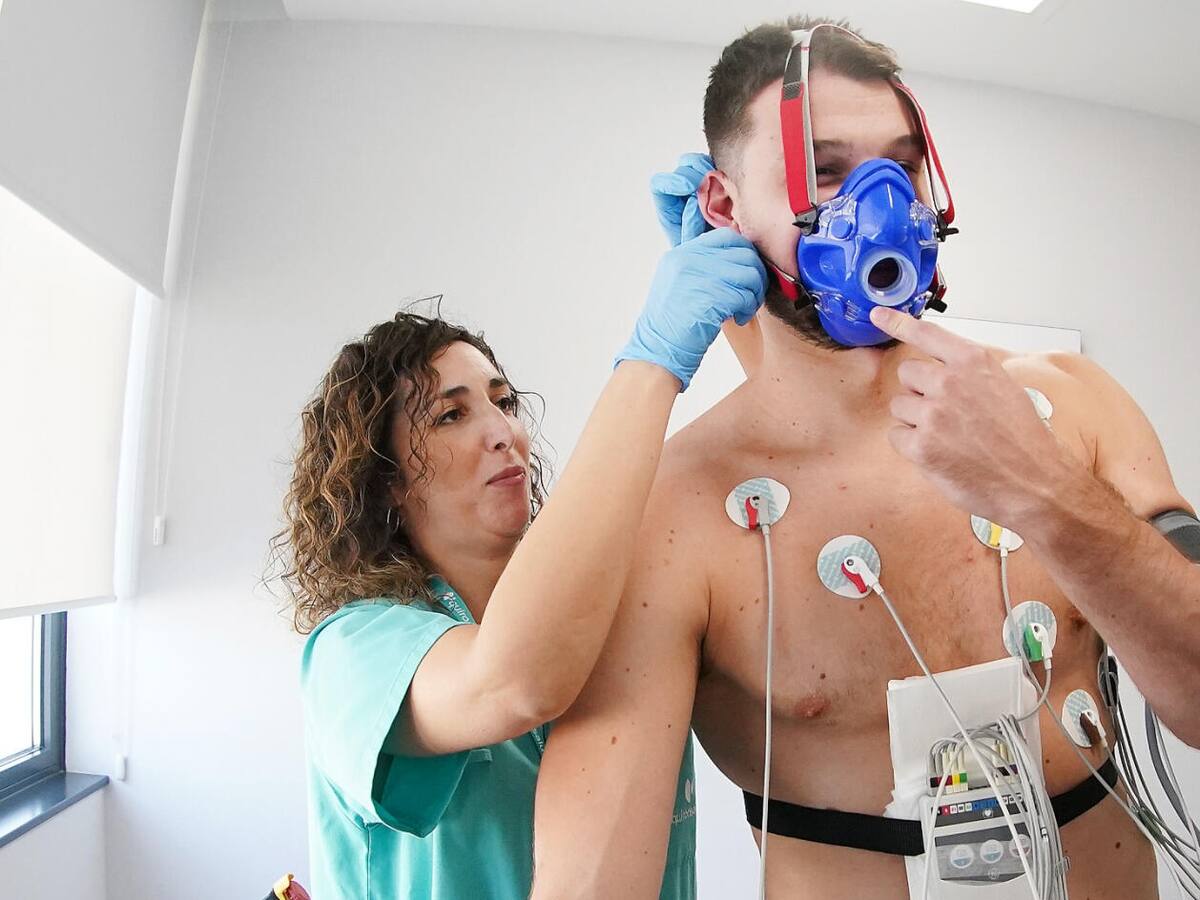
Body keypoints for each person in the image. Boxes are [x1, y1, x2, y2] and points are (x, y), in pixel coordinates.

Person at [530, 15, 1200, 899]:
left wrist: (1042, 489)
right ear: (725, 211)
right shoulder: (675, 514)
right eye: (828, 169)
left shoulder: (1070, 405)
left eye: (901, 166)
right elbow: (592, 883)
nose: (882, 205)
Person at [273, 229, 765, 900]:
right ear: (385, 481)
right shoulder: (356, 652)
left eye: (503, 401)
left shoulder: (618, 614)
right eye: (450, 415)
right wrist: (654, 364)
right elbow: (514, 681)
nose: (503, 431)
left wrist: (752, 278)